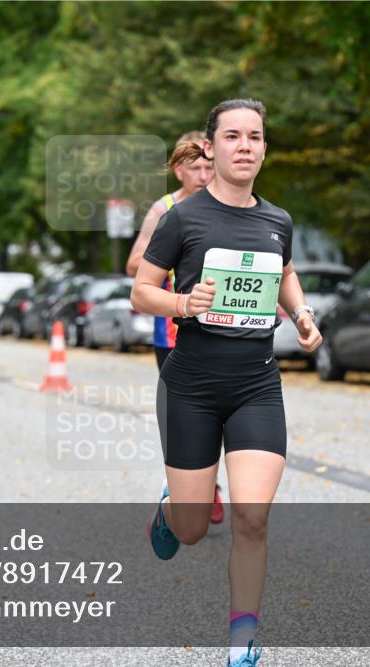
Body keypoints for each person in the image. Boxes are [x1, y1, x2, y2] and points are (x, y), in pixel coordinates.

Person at [130, 99, 322, 667]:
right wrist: (184, 302)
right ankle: (170, 512)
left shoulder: (277, 220)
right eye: (233, 136)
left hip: (256, 384)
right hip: (190, 383)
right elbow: (141, 290)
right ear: (209, 148)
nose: (245, 146)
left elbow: (284, 272)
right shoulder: (183, 218)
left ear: (265, 148)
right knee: (193, 529)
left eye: (255, 136)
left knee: (252, 517)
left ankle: (242, 641)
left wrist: (302, 312)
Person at [127, 131, 225, 525]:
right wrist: (172, 258)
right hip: (170, 328)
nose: (202, 174)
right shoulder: (164, 209)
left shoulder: (229, 204)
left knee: (219, 408)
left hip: (220, 325)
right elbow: (135, 264)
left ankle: (208, 484)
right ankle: (184, 483)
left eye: (207, 165)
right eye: (194, 167)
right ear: (178, 170)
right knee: (182, 412)